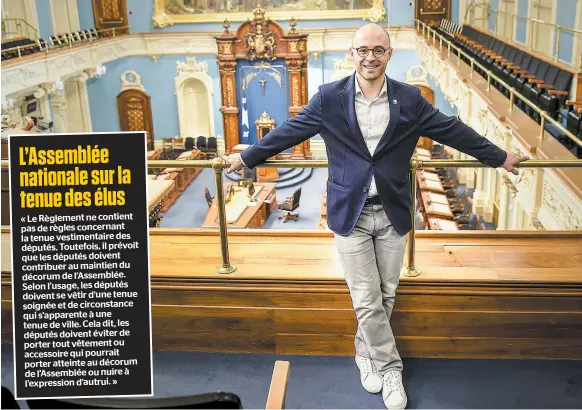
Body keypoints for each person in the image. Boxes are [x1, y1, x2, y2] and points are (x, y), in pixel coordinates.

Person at [222, 23, 529, 409]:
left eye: (378, 50)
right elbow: (288, 132)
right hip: (349, 213)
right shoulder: (328, 98)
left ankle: (365, 354)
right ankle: (390, 370)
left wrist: (499, 157)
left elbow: (452, 130)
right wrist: (246, 156)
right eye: (363, 50)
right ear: (352, 54)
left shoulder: (410, 99)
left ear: (389, 54)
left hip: (393, 212)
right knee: (366, 300)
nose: (370, 57)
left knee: (385, 295)